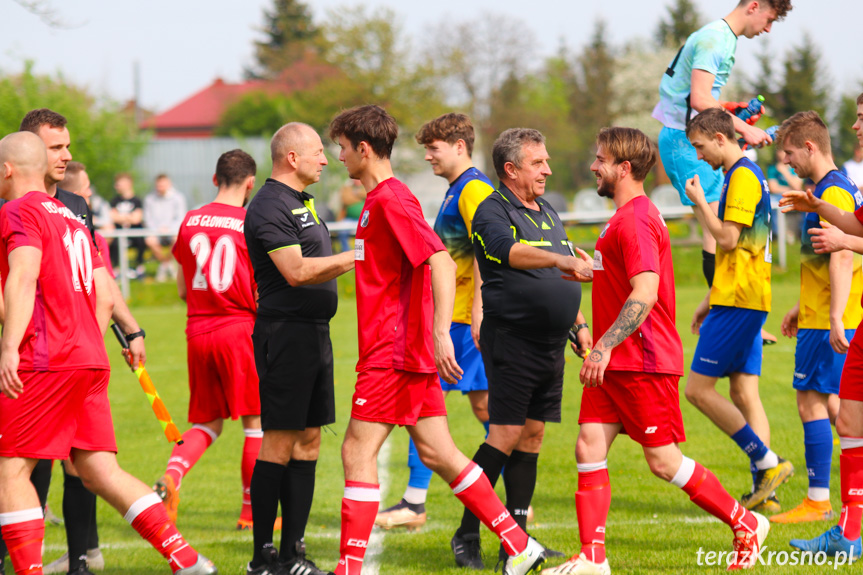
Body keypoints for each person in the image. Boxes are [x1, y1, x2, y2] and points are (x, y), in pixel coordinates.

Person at [329, 104, 555, 575]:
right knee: (440, 452)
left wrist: (441, 332)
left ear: (364, 149)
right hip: (402, 349)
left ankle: (348, 568)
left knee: (356, 450)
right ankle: (520, 544)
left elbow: (443, 261)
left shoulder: (392, 199)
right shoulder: (382, 199)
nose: (339, 157)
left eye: (343, 148)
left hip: (392, 351)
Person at [546, 126, 770, 574]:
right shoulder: (624, 217)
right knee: (589, 445)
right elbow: (623, 271)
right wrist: (589, 267)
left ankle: (746, 522)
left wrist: (604, 345)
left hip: (640, 359)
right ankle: (593, 559)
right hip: (616, 361)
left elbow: (645, 292)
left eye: (600, 159)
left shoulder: (635, 219)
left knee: (663, 462)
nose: (594, 165)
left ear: (623, 168)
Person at [0, 131, 216, 575]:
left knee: (11, 472)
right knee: (100, 471)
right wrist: (89, 341)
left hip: (44, 358)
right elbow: (103, 295)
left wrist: (8, 346)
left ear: (7, 170)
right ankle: (188, 560)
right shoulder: (73, 217)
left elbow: (22, 277)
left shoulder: (18, 211)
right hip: (88, 357)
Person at [450, 127, 590, 569]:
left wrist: (580, 323)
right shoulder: (492, 209)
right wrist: (559, 258)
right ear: (511, 169)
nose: (547, 169)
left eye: (547, 161)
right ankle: (466, 533)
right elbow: (507, 252)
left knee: (533, 436)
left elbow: (565, 268)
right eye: (538, 163)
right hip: (512, 340)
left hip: (551, 342)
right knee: (505, 435)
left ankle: (518, 539)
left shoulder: (546, 208)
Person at [19, 109, 149, 575]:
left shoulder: (76, 206)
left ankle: (79, 560)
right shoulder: (10, 206)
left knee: (81, 461)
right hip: (29, 356)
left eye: (66, 145)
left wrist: (129, 327)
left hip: (75, 356)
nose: (66, 155)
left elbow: (100, 278)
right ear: (28, 150)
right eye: (55, 147)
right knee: (26, 462)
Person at [374, 112, 496, 533]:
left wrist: (480, 308)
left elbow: (488, 248)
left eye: (434, 147)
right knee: (479, 405)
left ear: (460, 147)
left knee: (419, 403)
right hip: (457, 316)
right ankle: (508, 491)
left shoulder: (474, 189)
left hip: (462, 319)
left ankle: (414, 501)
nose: (427, 155)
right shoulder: (456, 190)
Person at [243, 123, 355, 575]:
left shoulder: (301, 201)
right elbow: (296, 271)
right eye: (317, 152)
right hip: (284, 335)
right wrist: (360, 256)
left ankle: (293, 554)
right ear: (291, 157)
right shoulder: (269, 204)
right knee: (280, 441)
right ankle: (262, 557)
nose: (326, 159)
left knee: (309, 442)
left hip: (313, 335)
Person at [683, 108, 794, 512]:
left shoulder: (743, 176)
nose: (699, 156)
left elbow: (728, 239)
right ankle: (767, 491)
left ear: (719, 137)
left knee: (697, 391)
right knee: (744, 392)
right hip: (737, 295)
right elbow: (742, 246)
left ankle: (768, 463)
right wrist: (708, 299)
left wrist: (699, 203)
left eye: (699, 146)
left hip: (740, 300)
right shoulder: (740, 175)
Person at [152, 150, 264, 532]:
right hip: (239, 329)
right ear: (251, 183)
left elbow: (184, 289)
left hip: (198, 330)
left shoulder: (189, 220)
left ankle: (172, 476)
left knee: (206, 422)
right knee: (256, 425)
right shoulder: (250, 221)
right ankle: (251, 513)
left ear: (215, 180)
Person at [653, 0, 792, 287]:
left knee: (720, 227)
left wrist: (728, 108)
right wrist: (744, 129)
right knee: (716, 228)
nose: (768, 29)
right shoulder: (716, 39)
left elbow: (698, 99)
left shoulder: (721, 37)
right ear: (754, 6)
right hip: (687, 139)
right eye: (769, 19)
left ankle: (724, 314)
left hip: (689, 134)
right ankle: (724, 314)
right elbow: (700, 100)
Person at [779, 91, 863, 559]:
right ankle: (847, 533)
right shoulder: (839, 190)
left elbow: (844, 248)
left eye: (861, 118)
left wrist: (832, 314)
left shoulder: (836, 184)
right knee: (844, 413)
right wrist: (816, 209)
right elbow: (852, 232)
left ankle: (818, 501)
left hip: (836, 317)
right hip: (833, 315)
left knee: (817, 402)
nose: (855, 127)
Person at [143, 174, 187, 282]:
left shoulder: (178, 198)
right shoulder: (149, 199)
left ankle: (164, 265)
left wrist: (169, 228)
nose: (160, 187)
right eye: (158, 185)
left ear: (169, 184)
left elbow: (181, 217)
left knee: (177, 240)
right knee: (150, 241)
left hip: (173, 231)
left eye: (163, 185)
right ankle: (167, 264)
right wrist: (158, 229)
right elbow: (147, 218)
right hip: (155, 231)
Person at [109, 173, 146, 276]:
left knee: (141, 240)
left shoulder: (137, 200)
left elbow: (137, 219)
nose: (116, 186)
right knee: (114, 242)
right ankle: (116, 270)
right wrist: (129, 217)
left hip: (134, 232)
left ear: (128, 184)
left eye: (118, 184)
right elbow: (113, 216)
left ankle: (139, 268)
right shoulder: (114, 201)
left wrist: (121, 217)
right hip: (119, 231)